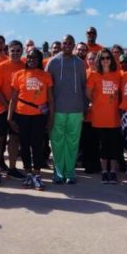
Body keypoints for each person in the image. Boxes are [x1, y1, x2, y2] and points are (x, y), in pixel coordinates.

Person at [8, 48, 55, 190]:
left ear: (39, 60)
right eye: (29, 57)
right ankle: (28, 173)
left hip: (39, 116)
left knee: (37, 145)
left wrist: (51, 118)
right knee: (24, 145)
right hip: (21, 114)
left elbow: (50, 99)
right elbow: (13, 98)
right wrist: (10, 117)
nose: (31, 60)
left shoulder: (46, 75)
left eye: (34, 58)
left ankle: (37, 174)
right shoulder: (18, 74)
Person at [46, 35, 87, 184]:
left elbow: (83, 86)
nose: (67, 45)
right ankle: (58, 172)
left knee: (72, 142)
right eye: (65, 43)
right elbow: (47, 87)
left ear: (74, 45)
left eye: (70, 43)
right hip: (57, 109)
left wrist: (85, 106)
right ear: (61, 44)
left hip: (76, 109)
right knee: (57, 142)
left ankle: (70, 171)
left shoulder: (80, 63)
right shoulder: (53, 62)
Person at [0, 41, 25, 185]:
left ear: (22, 51)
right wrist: (7, 106)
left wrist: (14, 108)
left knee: (14, 139)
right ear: (7, 51)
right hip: (1, 109)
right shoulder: (1, 66)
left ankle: (12, 168)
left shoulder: (24, 66)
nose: (15, 53)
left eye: (18, 50)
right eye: (13, 50)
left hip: (18, 110)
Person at [86, 48, 123, 184]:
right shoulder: (94, 75)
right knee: (102, 146)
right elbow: (88, 93)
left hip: (114, 116)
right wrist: (96, 102)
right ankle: (104, 172)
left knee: (113, 145)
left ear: (111, 60)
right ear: (99, 60)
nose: (105, 60)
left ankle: (112, 171)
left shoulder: (117, 74)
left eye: (108, 58)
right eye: (103, 58)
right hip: (99, 116)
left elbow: (120, 93)